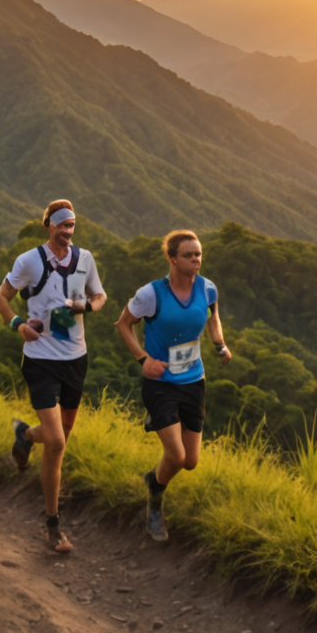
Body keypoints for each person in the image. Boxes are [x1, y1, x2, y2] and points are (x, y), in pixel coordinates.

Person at [0, 199, 107, 553]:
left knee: (62, 436)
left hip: (76, 359)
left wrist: (86, 306)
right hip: (40, 360)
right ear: (49, 226)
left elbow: (100, 295)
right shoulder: (29, 261)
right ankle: (53, 525)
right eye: (62, 225)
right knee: (56, 442)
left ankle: (25, 435)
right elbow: (1, 297)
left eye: (72, 225)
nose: (68, 231)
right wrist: (18, 324)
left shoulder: (85, 259)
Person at [115, 230, 230, 543]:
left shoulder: (207, 288)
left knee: (190, 462)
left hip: (194, 381)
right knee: (176, 456)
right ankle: (155, 504)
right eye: (188, 255)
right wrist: (143, 359)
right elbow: (123, 324)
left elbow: (213, 317)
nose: (196, 260)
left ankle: (153, 478)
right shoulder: (151, 294)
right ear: (172, 259)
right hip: (161, 383)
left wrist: (220, 345)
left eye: (199, 254)